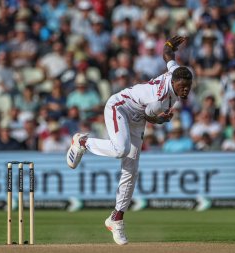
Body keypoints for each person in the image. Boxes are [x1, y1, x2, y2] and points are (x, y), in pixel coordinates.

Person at [66, 36, 192, 245]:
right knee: (120, 150)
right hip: (120, 107)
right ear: (174, 83)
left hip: (137, 117)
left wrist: (169, 44)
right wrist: (160, 120)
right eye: (183, 87)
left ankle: (116, 218)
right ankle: (82, 142)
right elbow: (150, 116)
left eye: (188, 86)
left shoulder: (176, 73)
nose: (186, 90)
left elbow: (168, 56)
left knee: (131, 169)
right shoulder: (160, 99)